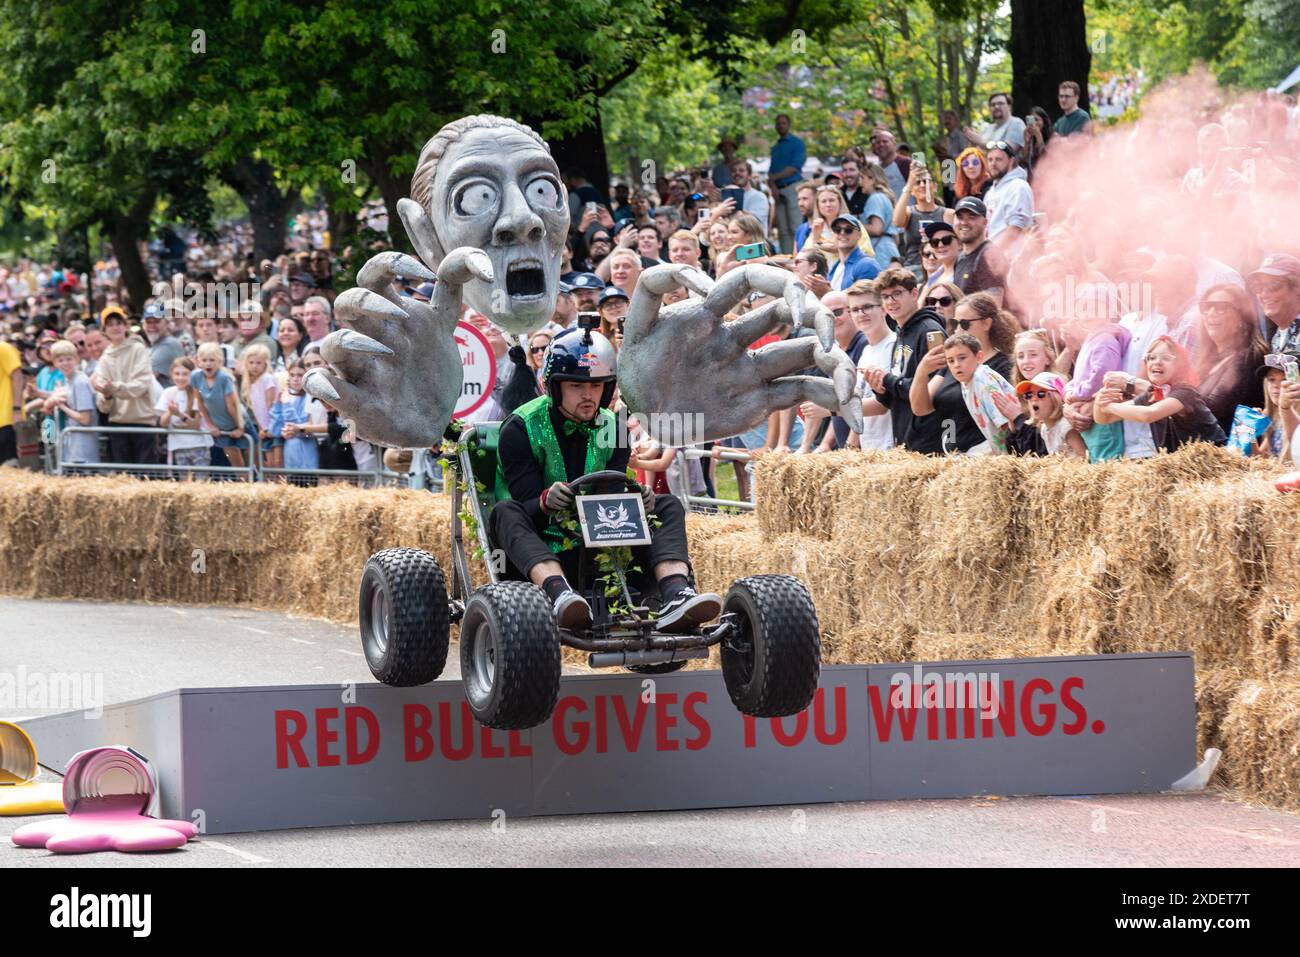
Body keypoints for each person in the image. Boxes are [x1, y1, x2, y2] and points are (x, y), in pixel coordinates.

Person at [489, 325, 721, 631]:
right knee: (504, 512)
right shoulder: (519, 428)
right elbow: (525, 502)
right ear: (554, 386)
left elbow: (612, 494)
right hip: (539, 545)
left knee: (667, 505)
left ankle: (676, 592)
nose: (588, 396)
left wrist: (638, 499)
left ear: (608, 388)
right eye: (576, 386)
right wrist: (545, 501)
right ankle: (560, 595)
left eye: (596, 387)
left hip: (603, 545)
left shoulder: (615, 427)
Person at [860, 266, 947, 452]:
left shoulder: (930, 331)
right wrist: (881, 389)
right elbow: (897, 398)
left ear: (914, 293)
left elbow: (932, 391)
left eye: (897, 294)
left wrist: (888, 380)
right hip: (904, 439)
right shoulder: (900, 332)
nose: (890, 302)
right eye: (885, 297)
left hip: (928, 441)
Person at [1094, 336, 1227, 451]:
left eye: (1166, 358)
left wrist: (1109, 407)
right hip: (1184, 470)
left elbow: (1148, 414)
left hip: (1213, 463)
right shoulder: (1153, 394)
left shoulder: (1185, 392)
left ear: (1178, 366)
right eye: (1151, 358)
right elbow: (1104, 419)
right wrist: (1100, 402)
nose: (1157, 362)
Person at [1194, 283, 1267, 433]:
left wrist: (1174, 400)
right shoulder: (1206, 361)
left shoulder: (1250, 358)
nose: (1211, 313)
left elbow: (1213, 408)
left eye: (1221, 307)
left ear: (1241, 317)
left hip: (1234, 453)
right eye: (1206, 307)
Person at [91, 310, 158, 467]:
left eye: (119, 323)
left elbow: (140, 385)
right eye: (110, 325)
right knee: (124, 476)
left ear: (126, 326)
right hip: (117, 424)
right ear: (104, 330)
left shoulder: (138, 349)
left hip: (143, 421)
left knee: (147, 477)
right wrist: (106, 395)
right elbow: (103, 404)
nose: (115, 328)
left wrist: (111, 388)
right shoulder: (105, 358)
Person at [845, 280, 896, 452]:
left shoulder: (894, 345)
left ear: (883, 309)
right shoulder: (866, 351)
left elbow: (882, 405)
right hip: (869, 448)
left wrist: (831, 409)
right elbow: (859, 398)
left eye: (867, 306)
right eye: (855, 309)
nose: (861, 313)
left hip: (891, 446)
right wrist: (850, 447)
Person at [156, 356, 214, 481]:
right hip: (179, 446)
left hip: (199, 446)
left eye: (185, 374)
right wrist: (170, 413)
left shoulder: (197, 393)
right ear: (171, 374)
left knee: (201, 482)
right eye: (177, 374)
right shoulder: (168, 392)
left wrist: (179, 415)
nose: (180, 378)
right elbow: (163, 423)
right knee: (184, 482)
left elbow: (196, 425)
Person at [44, 340, 99, 467]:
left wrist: (62, 406)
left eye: (69, 359)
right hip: (73, 448)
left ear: (76, 359)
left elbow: (85, 419)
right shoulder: (68, 380)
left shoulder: (80, 382)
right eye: (60, 360)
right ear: (55, 363)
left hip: (83, 452)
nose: (65, 364)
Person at [193, 341, 246, 470]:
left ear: (220, 361)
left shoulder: (224, 378)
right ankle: (244, 481)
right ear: (198, 361)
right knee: (234, 457)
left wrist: (240, 427)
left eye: (212, 360)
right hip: (221, 422)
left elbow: (232, 406)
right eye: (204, 360)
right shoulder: (196, 377)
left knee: (250, 452)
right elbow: (200, 403)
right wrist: (211, 425)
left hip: (238, 417)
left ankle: (258, 480)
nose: (208, 363)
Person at [271, 359, 327, 482]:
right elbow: (275, 430)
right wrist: (277, 403)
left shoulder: (309, 397)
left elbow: (298, 427)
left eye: (300, 375)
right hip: (291, 459)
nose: (295, 379)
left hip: (308, 459)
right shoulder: (284, 396)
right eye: (292, 375)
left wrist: (286, 404)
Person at [893, 162, 951, 279]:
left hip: (941, 268)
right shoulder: (909, 212)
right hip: (913, 268)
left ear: (934, 187)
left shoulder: (948, 214)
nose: (922, 185)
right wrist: (909, 185)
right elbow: (897, 221)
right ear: (912, 191)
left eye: (926, 181)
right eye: (918, 182)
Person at [1013, 372, 1086, 457]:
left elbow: (1084, 456)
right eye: (1029, 395)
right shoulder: (1044, 428)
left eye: (1041, 394)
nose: (1034, 399)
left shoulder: (1066, 426)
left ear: (1056, 399)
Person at [951, 198, 1008, 302]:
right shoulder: (960, 257)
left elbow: (993, 307)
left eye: (971, 217)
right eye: (960, 217)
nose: (964, 222)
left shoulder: (989, 256)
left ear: (985, 222)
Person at [982, 142, 1034, 249]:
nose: (993, 164)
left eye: (998, 159)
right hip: (990, 255)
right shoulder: (989, 193)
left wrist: (993, 256)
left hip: (1010, 259)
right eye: (990, 160)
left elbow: (1016, 228)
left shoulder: (1018, 187)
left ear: (1011, 162)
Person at [768, 114, 806, 254]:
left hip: (793, 187)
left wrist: (774, 179)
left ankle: (802, 257)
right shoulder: (775, 147)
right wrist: (773, 187)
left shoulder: (797, 143)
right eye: (778, 123)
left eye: (783, 123)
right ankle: (787, 259)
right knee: (782, 230)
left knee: (796, 227)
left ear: (789, 125)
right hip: (778, 190)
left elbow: (794, 167)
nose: (780, 125)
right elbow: (771, 172)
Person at [1247, 254, 1300, 353]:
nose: (1264, 294)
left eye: (1274, 285)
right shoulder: (1279, 336)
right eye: (1258, 287)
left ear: (1297, 287)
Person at [240, 344, 280, 472]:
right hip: (264, 429)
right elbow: (257, 411)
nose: (254, 366)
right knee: (267, 464)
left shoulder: (267, 379)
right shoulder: (250, 383)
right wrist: (261, 428)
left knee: (275, 463)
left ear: (265, 364)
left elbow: (271, 406)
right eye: (251, 362)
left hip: (273, 427)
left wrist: (268, 428)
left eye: (258, 363)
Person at [826, 215, 881, 291]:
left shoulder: (866, 264)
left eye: (848, 230)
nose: (842, 233)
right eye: (837, 229)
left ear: (859, 235)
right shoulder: (835, 267)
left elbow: (861, 300)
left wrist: (825, 292)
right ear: (833, 235)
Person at [141, 303, 186, 387]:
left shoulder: (169, 344)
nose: (152, 326)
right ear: (143, 325)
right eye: (148, 322)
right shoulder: (156, 345)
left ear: (167, 323)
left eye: (157, 321)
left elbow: (146, 377)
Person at [727, 160, 771, 239]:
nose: (737, 173)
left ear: (749, 175)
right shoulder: (727, 197)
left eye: (741, 170)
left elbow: (754, 222)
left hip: (755, 245)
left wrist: (736, 205)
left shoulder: (759, 197)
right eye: (734, 171)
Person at [869, 128, 910, 197]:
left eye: (885, 141)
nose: (881, 144)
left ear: (894, 144)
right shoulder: (875, 170)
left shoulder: (906, 163)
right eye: (878, 142)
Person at [921, 221, 961, 290]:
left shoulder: (968, 273)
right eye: (935, 242)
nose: (940, 245)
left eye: (946, 240)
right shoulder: (934, 277)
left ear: (960, 244)